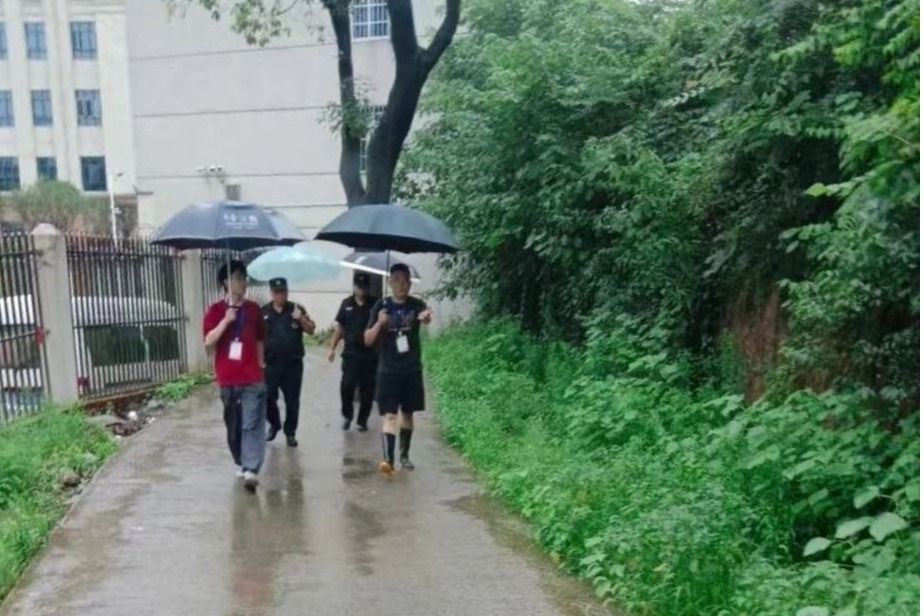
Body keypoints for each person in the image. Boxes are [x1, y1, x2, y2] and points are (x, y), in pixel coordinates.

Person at [203, 260, 266, 492]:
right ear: (226, 282)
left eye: (244, 278)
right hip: (228, 377)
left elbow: (260, 338)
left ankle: (251, 468)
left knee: (251, 422)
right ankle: (240, 459)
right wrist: (226, 321)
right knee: (234, 425)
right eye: (238, 278)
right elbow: (208, 342)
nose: (243, 283)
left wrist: (261, 363)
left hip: (252, 377)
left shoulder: (254, 309)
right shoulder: (215, 310)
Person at [364, 263, 433, 477]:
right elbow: (367, 340)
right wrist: (379, 323)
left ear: (410, 284)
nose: (402, 286)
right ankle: (389, 460)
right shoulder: (381, 306)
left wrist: (426, 318)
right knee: (390, 415)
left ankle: (404, 455)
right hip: (388, 369)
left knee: (408, 414)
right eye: (397, 281)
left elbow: (426, 317)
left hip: (411, 368)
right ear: (390, 282)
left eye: (405, 282)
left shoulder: (416, 304)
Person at [262, 277, 315, 447]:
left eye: (283, 292)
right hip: (271, 364)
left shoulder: (296, 309)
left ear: (287, 291)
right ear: (271, 293)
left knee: (292, 400)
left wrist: (301, 319)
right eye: (277, 292)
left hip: (293, 364)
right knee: (267, 397)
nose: (281, 295)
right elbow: (257, 338)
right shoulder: (264, 312)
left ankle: (290, 432)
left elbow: (311, 330)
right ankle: (274, 423)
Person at [328, 272, 378, 432]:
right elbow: (340, 328)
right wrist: (332, 348)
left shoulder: (375, 304)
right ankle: (347, 415)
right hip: (351, 353)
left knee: (367, 389)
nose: (361, 291)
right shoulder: (346, 304)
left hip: (369, 354)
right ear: (354, 287)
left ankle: (362, 420)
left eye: (364, 288)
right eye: (359, 287)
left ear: (368, 288)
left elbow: (381, 328)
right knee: (346, 386)